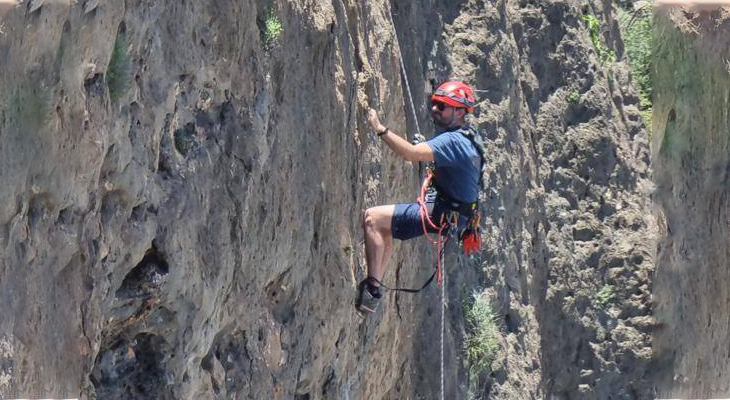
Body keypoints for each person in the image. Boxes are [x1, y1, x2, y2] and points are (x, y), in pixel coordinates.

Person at [356, 81, 483, 314]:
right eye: (435, 104)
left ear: (459, 112)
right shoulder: (467, 137)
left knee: (373, 218)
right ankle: (373, 289)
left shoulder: (452, 141)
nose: (435, 109)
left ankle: (372, 289)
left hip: (443, 213)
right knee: (385, 228)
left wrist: (379, 128)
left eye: (442, 106)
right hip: (453, 213)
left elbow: (409, 154)